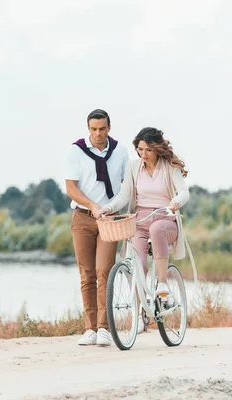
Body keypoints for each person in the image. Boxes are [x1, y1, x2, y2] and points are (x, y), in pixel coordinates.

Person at [98, 127, 195, 314]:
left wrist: (176, 201)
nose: (144, 154)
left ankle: (163, 285)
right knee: (138, 264)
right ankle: (140, 311)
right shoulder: (134, 167)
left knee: (157, 229)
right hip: (140, 221)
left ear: (157, 148)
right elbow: (124, 195)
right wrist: (108, 208)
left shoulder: (169, 167)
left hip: (165, 218)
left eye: (148, 150)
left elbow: (184, 191)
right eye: (140, 149)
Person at [65, 109, 129, 347]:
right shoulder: (76, 151)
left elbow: (126, 186)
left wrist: (114, 209)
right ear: (88, 129)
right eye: (93, 129)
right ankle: (89, 328)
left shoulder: (120, 151)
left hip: (109, 219)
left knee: (104, 271)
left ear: (109, 127)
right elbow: (71, 188)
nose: (98, 133)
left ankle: (104, 327)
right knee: (87, 274)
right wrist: (91, 204)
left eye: (102, 129)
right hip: (83, 218)